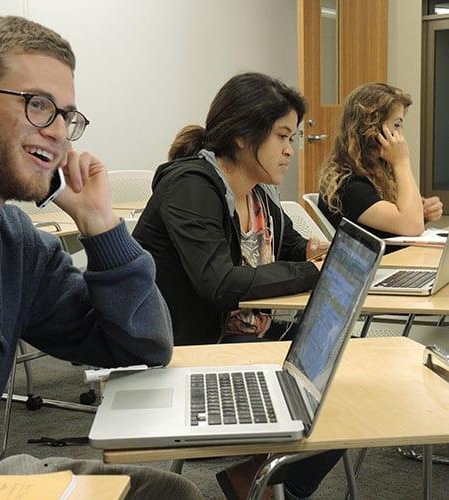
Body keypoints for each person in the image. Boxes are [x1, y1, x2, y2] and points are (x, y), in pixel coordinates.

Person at [0, 16, 202, 499]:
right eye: (38, 105)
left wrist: (100, 224)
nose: (59, 132)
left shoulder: (16, 244)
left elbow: (144, 346)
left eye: (66, 115)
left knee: (168, 494)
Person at [133, 72, 340, 499]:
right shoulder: (191, 186)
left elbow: (290, 246)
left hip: (240, 335)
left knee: (345, 365)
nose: (290, 150)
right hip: (186, 350)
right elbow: (220, 282)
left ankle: (261, 477)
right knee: (332, 386)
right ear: (244, 137)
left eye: (293, 138)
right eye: (283, 136)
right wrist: (313, 272)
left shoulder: (259, 194)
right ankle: (270, 481)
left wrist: (313, 250)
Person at [318, 82, 442, 244]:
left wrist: (422, 212)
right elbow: (411, 225)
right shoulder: (348, 184)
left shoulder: (378, 171)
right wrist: (401, 162)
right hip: (381, 267)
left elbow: (408, 222)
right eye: (396, 124)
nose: (400, 135)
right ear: (372, 127)